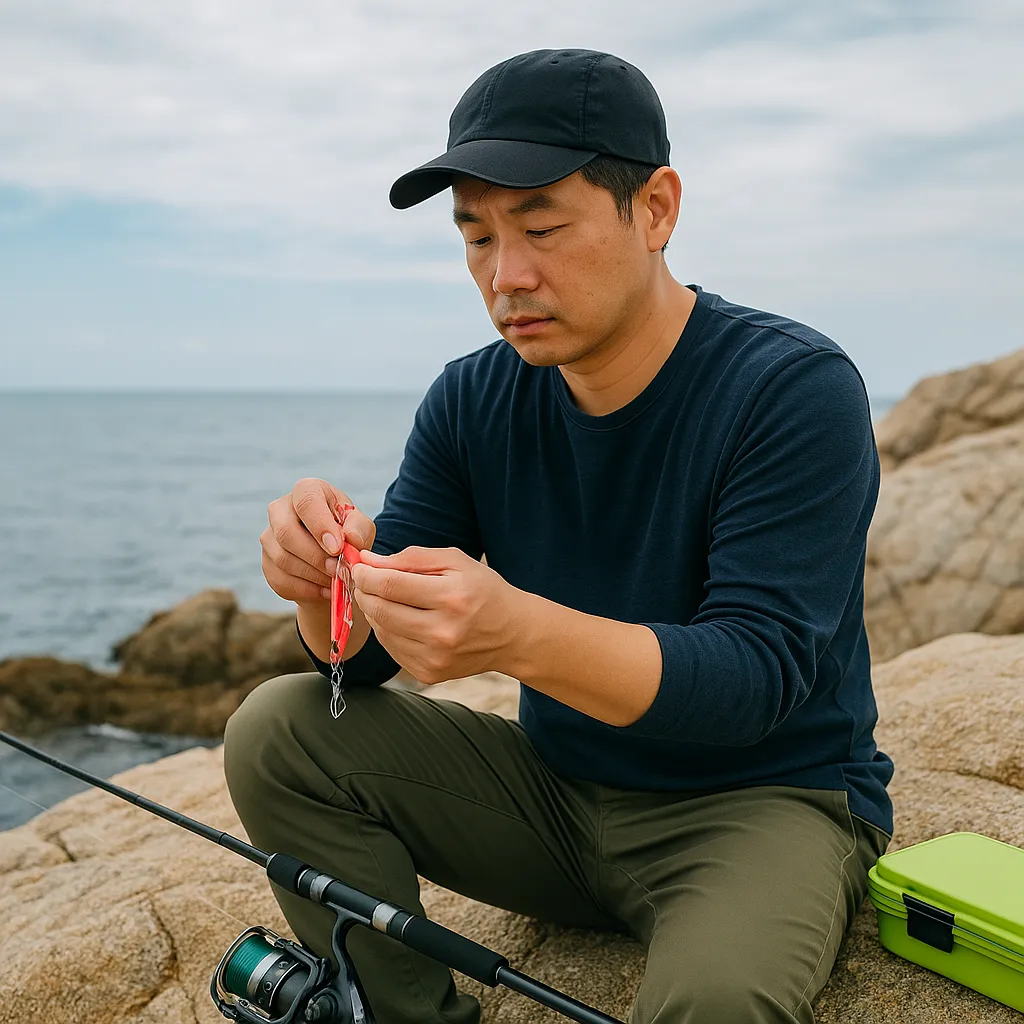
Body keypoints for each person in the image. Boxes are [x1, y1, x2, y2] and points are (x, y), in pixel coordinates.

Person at [223, 48, 895, 1024]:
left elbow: (755, 678)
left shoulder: (790, 388)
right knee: (277, 730)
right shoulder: (472, 396)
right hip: (556, 797)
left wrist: (519, 633)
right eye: (476, 236)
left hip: (761, 801)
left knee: (713, 1000)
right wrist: (320, 588)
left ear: (655, 209)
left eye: (541, 226)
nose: (506, 275)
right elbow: (359, 670)